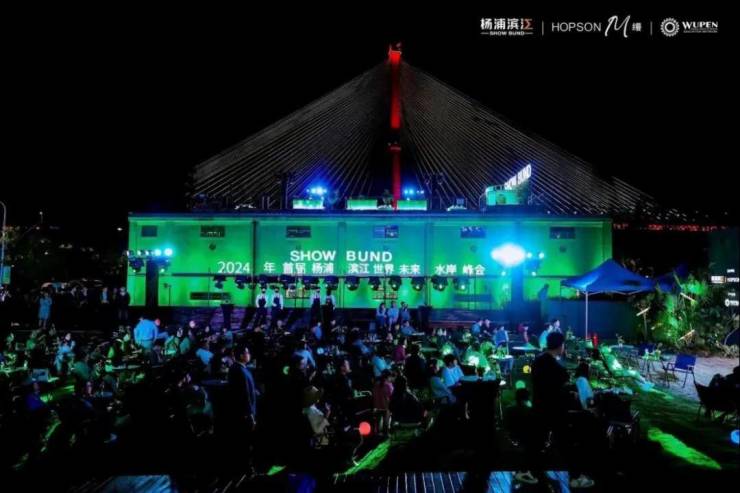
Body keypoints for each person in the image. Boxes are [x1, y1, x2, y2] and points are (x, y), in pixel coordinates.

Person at [532, 331, 595, 489]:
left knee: (537, 442)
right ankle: (575, 477)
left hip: (539, 407)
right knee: (566, 443)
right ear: (560, 346)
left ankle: (528, 472)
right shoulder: (557, 369)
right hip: (555, 410)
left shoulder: (538, 361)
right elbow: (560, 390)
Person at [228, 343, 258, 439]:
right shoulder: (240, 371)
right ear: (241, 355)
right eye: (247, 353)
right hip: (244, 413)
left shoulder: (239, 368)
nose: (249, 354)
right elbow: (245, 394)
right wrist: (250, 415)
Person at [373, 369, 394, 435]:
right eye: (390, 377)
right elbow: (392, 396)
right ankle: (385, 435)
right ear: (388, 377)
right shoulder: (389, 385)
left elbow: (374, 395)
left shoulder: (376, 384)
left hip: (377, 406)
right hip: (386, 407)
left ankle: (377, 434)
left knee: (378, 423)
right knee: (386, 423)